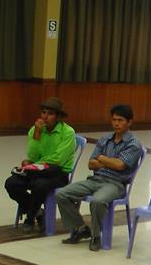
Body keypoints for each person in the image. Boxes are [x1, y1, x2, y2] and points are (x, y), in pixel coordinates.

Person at [58, 104, 143, 252]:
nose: (116, 123)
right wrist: (110, 162)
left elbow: (120, 166)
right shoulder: (105, 139)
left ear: (129, 122)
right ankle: (80, 228)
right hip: (95, 180)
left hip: (115, 184)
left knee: (97, 201)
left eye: (121, 120)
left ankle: (96, 235)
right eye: (114, 120)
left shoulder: (134, 144)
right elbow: (91, 164)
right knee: (62, 194)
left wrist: (102, 158)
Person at [5, 97, 77, 231]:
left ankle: (30, 218)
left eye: (50, 114)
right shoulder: (35, 129)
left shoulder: (68, 132)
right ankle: (39, 212)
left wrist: (35, 165)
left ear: (58, 117)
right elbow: (32, 156)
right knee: (11, 183)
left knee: (39, 184)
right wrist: (37, 135)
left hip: (58, 173)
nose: (45, 117)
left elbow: (58, 159)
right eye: (43, 113)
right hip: (36, 170)